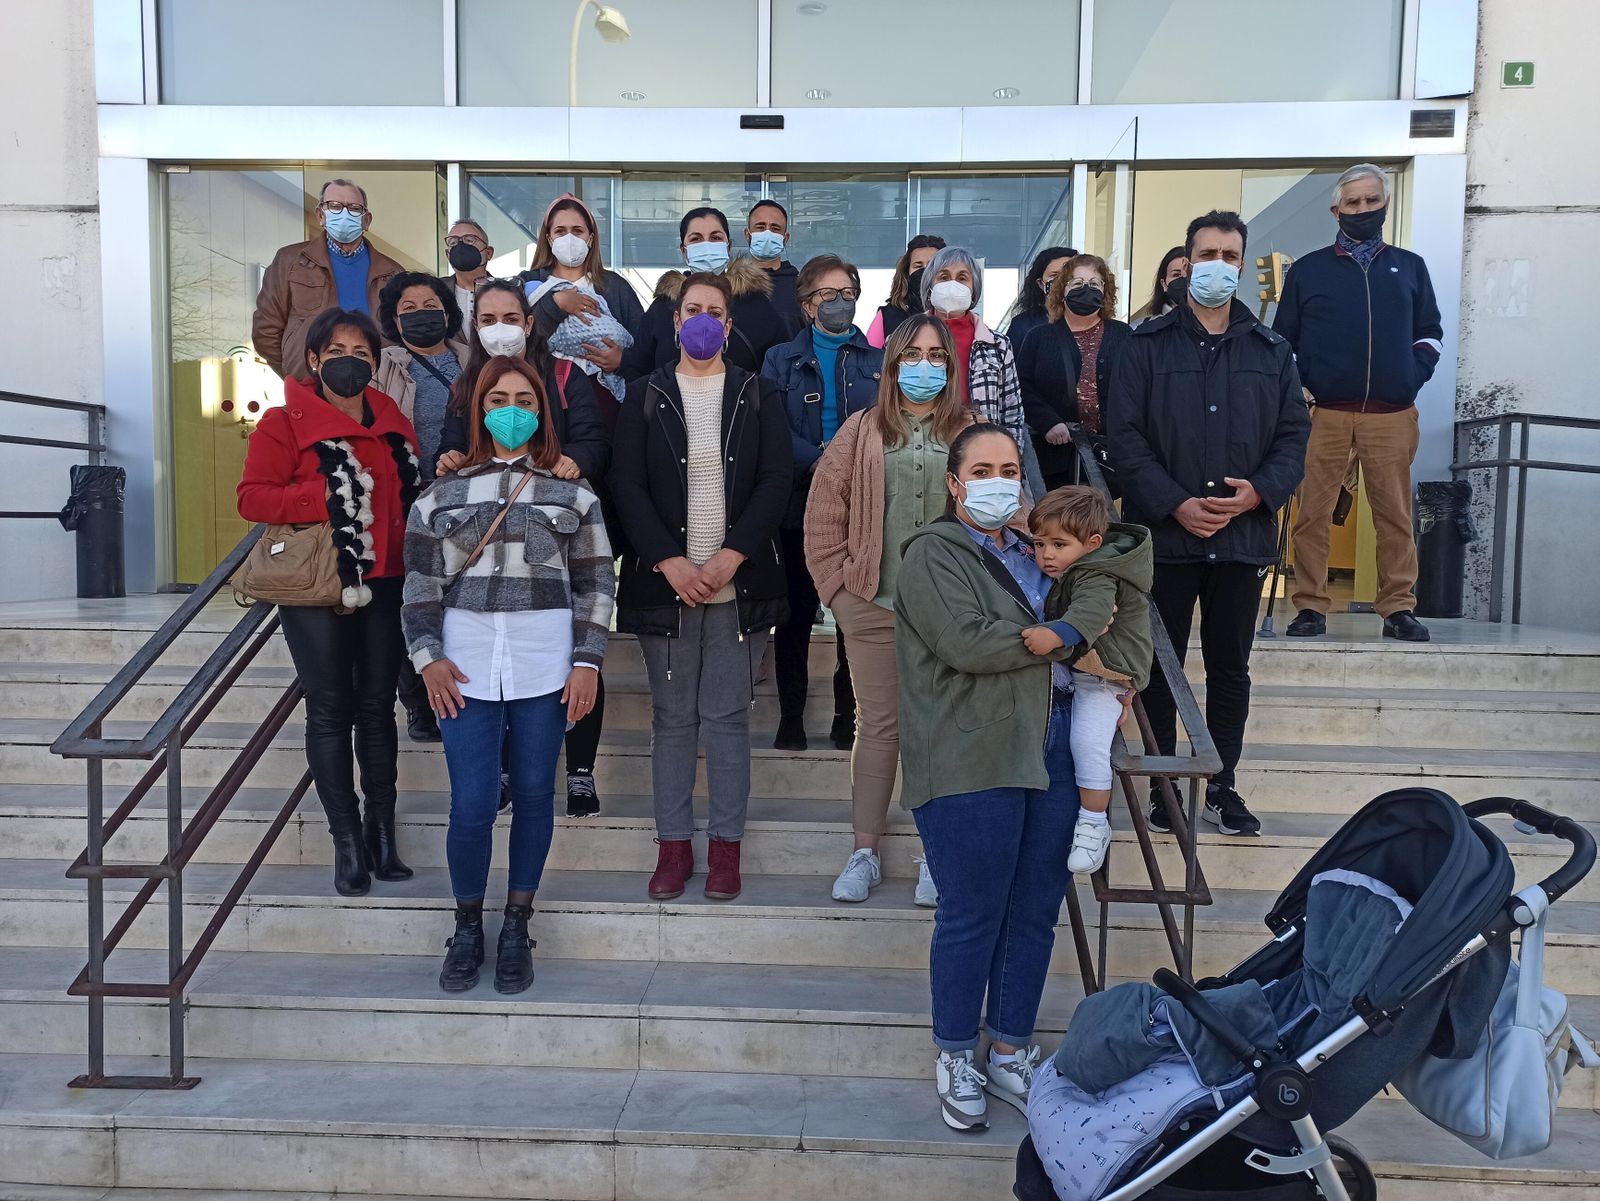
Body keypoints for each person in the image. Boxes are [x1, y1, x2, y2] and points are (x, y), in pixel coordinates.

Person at [402, 355, 615, 995]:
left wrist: (587, 663)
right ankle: (467, 923)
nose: (512, 410)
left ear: (542, 411)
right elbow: (418, 585)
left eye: (525, 398)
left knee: (533, 795)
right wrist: (427, 658)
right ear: (479, 409)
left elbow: (597, 585)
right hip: (461, 664)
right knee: (470, 802)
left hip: (546, 662)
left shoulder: (574, 495)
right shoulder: (439, 495)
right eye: (499, 399)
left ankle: (518, 921)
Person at [893, 423, 1080, 1131]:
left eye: (1009, 468)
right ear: (954, 483)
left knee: (1034, 907)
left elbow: (1106, 605)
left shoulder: (1042, 555)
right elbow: (966, 642)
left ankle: (1010, 1045)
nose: (999, 480)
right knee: (973, 911)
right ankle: (954, 1050)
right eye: (983, 469)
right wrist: (1068, 639)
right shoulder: (931, 554)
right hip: (970, 748)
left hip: (1052, 743)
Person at [1110, 210, 1310, 839]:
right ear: (1186, 261)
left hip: (1242, 540)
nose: (1217, 264)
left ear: (1241, 263)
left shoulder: (1272, 351)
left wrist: (1260, 494)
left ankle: (1222, 786)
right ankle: (1165, 790)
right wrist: (1173, 503)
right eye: (1207, 254)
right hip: (1165, 540)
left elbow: (1293, 436)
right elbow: (1125, 436)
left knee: (1230, 669)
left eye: (1230, 255)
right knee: (1160, 669)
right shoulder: (1144, 346)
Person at [611, 272, 792, 904]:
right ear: (674, 319)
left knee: (726, 719)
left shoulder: (758, 393)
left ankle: (725, 849)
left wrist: (732, 555)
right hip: (667, 584)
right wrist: (670, 560)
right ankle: (673, 846)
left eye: (715, 311)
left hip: (737, 584)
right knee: (672, 719)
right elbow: (626, 486)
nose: (704, 321)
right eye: (693, 310)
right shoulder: (642, 394)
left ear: (730, 326)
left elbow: (775, 481)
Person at [237, 307, 421, 897]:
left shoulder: (394, 420)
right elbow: (253, 498)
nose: (352, 362)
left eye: (363, 353)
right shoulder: (283, 423)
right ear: (314, 360)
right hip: (319, 585)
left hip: (386, 580)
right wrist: (328, 497)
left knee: (377, 707)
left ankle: (381, 831)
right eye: (338, 351)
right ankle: (345, 839)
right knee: (329, 709)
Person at [805, 314, 972, 908]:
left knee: (938, 733)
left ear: (949, 368)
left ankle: (935, 854)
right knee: (878, 729)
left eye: (936, 356)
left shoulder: (972, 431)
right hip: (875, 606)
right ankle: (865, 851)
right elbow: (824, 516)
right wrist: (841, 595)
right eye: (913, 354)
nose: (924, 366)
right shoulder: (860, 430)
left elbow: (1012, 513)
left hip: (953, 618)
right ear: (893, 363)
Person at [434, 278, 613, 817]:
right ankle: (508, 767)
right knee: (502, 670)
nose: (499, 329)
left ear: (530, 321)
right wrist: (447, 461)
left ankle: (578, 770)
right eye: (486, 320)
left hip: (558, 526)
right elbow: (452, 445)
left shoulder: (563, 374)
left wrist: (573, 460)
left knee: (577, 649)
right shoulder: (466, 386)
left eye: (509, 316)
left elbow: (597, 438)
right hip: (486, 536)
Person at [1273, 163, 1443, 643]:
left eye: (1372, 201)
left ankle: (1397, 608)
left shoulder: (1410, 267)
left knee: (1394, 515)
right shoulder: (1309, 270)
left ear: (1384, 204)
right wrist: (1301, 389)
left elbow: (1430, 333)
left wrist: (1412, 377)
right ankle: (1309, 605)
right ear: (1336, 210)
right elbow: (1283, 341)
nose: (1363, 209)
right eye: (1353, 202)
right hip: (1323, 413)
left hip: (1391, 415)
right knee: (1312, 514)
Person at [761, 254, 883, 753]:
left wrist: (851, 469)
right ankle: (791, 717)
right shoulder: (778, 359)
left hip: (863, 500)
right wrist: (820, 463)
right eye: (828, 296)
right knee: (794, 614)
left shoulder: (880, 360)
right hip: (798, 499)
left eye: (847, 293)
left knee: (856, 611)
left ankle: (845, 714)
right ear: (808, 305)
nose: (840, 303)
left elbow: (887, 422)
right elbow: (771, 426)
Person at [1022, 486, 1152, 876]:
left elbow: (1094, 614)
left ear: (1092, 543)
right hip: (1084, 672)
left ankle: (1094, 823)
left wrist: (1055, 635)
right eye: (1040, 543)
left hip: (1103, 676)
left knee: (1087, 743)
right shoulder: (1075, 566)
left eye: (1059, 544)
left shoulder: (1095, 573)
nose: (1046, 554)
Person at [374, 271, 471, 744]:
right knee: (414, 597)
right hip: (409, 497)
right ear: (393, 319)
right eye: (406, 309)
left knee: (458, 598)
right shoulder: (384, 365)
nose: (419, 314)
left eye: (428, 304)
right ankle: (417, 701)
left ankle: (460, 688)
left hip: (464, 496)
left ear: (448, 310)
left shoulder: (471, 360)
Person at [252, 179, 404, 380]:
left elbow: (404, 335)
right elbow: (266, 329)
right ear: (320, 215)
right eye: (334, 206)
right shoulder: (290, 261)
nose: (344, 213)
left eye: (353, 208)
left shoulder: (392, 272)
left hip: (377, 386)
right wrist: (298, 374)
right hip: (311, 386)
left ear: (366, 220)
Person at [922, 245, 1039, 497]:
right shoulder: (905, 339)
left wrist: (1009, 464)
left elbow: (1012, 414)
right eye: (943, 277)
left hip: (981, 457)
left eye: (962, 277)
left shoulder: (997, 344)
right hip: (923, 451)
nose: (953, 284)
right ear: (929, 285)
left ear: (974, 287)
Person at [623, 206, 788, 379]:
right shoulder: (664, 307)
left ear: (728, 246)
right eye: (696, 239)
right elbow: (637, 370)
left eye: (715, 238)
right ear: (684, 250)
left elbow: (779, 369)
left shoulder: (755, 304)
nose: (707, 245)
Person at [1017, 254, 1133, 490]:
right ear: (1062, 290)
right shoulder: (1038, 337)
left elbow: (1138, 388)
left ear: (1105, 290)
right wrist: (1049, 422)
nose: (1086, 289)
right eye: (1077, 283)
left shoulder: (1125, 335)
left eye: (1094, 283)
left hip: (1110, 458)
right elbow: (1022, 387)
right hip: (1055, 458)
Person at [519, 193, 645, 374]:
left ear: (590, 239)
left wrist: (622, 362)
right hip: (544, 392)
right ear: (549, 239)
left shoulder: (615, 287)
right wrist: (556, 304)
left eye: (577, 231)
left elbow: (644, 348)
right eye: (560, 231)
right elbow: (518, 337)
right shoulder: (529, 282)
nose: (569, 238)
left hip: (603, 397)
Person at [867, 234, 945, 348]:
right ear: (906, 272)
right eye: (918, 266)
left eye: (932, 266)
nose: (925, 272)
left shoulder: (956, 315)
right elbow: (869, 361)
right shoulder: (887, 316)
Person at [745, 199, 803, 338]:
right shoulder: (730, 286)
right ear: (747, 235)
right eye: (760, 227)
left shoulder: (801, 287)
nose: (767, 233)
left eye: (775, 229)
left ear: (786, 238)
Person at [1001, 245, 1078, 350]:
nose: (1062, 280)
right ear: (1041, 284)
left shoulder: (1091, 320)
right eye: (1054, 275)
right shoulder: (1023, 325)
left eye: (1069, 275)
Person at [443, 218, 494, 326]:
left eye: (470, 240)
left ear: (488, 253)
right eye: (453, 242)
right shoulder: (436, 291)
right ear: (448, 255)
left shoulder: (508, 291)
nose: (460, 245)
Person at [1134, 246, 1188, 327]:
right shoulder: (1140, 328)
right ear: (1163, 284)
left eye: (1189, 273)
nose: (1184, 278)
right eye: (1177, 275)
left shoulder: (1212, 328)